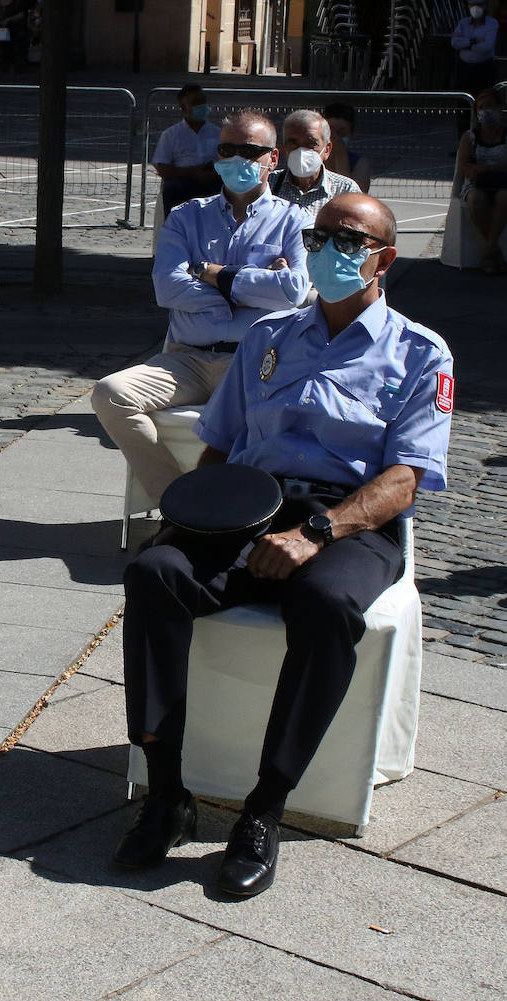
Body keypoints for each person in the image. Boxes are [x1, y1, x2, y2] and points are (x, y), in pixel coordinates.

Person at [114, 192, 453, 898]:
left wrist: (315, 534)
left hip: (348, 518)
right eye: (319, 237)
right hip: (251, 501)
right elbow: (220, 443)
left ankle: (265, 808)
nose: (329, 251)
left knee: (327, 603)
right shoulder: (269, 336)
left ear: (384, 259)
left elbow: (405, 478)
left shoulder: (419, 352)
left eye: (349, 241)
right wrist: (194, 517)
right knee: (154, 571)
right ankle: (167, 793)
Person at [91, 110, 309, 505]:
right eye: (227, 150)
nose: (237, 159)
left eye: (249, 151)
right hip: (186, 359)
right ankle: (177, 501)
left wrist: (211, 273)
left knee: (271, 419)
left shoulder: (293, 220)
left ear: (273, 158)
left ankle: (236, 510)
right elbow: (167, 288)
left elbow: (293, 291)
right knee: (110, 394)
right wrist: (251, 287)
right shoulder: (187, 216)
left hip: (252, 360)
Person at [267, 109, 359, 220]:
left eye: (311, 144)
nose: (301, 151)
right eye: (293, 143)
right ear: (283, 148)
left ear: (327, 150)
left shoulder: (345, 190)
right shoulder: (268, 184)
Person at [455, 88, 507, 274]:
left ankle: (488, 252)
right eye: (481, 107)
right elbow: (463, 167)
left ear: (499, 108)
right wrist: (478, 170)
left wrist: (486, 168)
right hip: (476, 184)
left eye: (490, 106)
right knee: (476, 199)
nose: (486, 111)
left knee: (504, 198)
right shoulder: (470, 137)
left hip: (503, 183)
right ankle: (494, 251)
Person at [152, 84, 223, 215]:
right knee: (173, 190)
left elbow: (227, 161)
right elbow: (162, 168)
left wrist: (211, 173)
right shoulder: (170, 135)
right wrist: (192, 172)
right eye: (196, 103)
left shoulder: (217, 133)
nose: (201, 106)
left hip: (212, 178)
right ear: (184, 108)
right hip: (182, 180)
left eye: (203, 101)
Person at [451, 3, 499, 100]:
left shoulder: (492, 23)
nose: (475, 7)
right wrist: (475, 41)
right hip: (464, 69)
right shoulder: (463, 23)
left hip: (484, 68)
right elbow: (455, 43)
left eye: (479, 4)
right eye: (472, 4)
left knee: (484, 99)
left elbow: (487, 46)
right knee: (463, 100)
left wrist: (465, 45)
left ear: (485, 6)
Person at [322, 102, 371, 194]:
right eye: (331, 131)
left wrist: (340, 154)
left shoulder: (360, 163)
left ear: (350, 134)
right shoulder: (314, 159)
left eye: (342, 132)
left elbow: (356, 195)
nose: (336, 137)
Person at [0, 0, 27, 82]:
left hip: (12, 33)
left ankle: (12, 77)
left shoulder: (16, 3)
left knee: (12, 55)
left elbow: (21, 15)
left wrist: (9, 20)